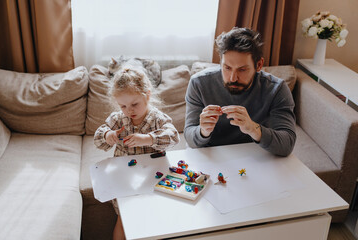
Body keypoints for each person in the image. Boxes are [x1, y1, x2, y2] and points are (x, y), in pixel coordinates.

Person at [94, 67, 180, 240]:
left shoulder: (157, 118)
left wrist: (148, 138)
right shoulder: (118, 118)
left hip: (153, 176)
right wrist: (108, 135)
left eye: (134, 104)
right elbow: (98, 138)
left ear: (147, 95)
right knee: (124, 219)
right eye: (123, 106)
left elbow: (174, 136)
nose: (129, 110)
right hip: (125, 179)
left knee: (153, 217)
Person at [184, 27, 296, 157]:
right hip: (211, 156)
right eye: (227, 68)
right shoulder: (199, 83)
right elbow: (190, 137)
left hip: (253, 156)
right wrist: (203, 131)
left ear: (259, 65)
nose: (233, 78)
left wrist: (253, 128)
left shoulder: (276, 89)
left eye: (242, 69)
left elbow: (287, 145)